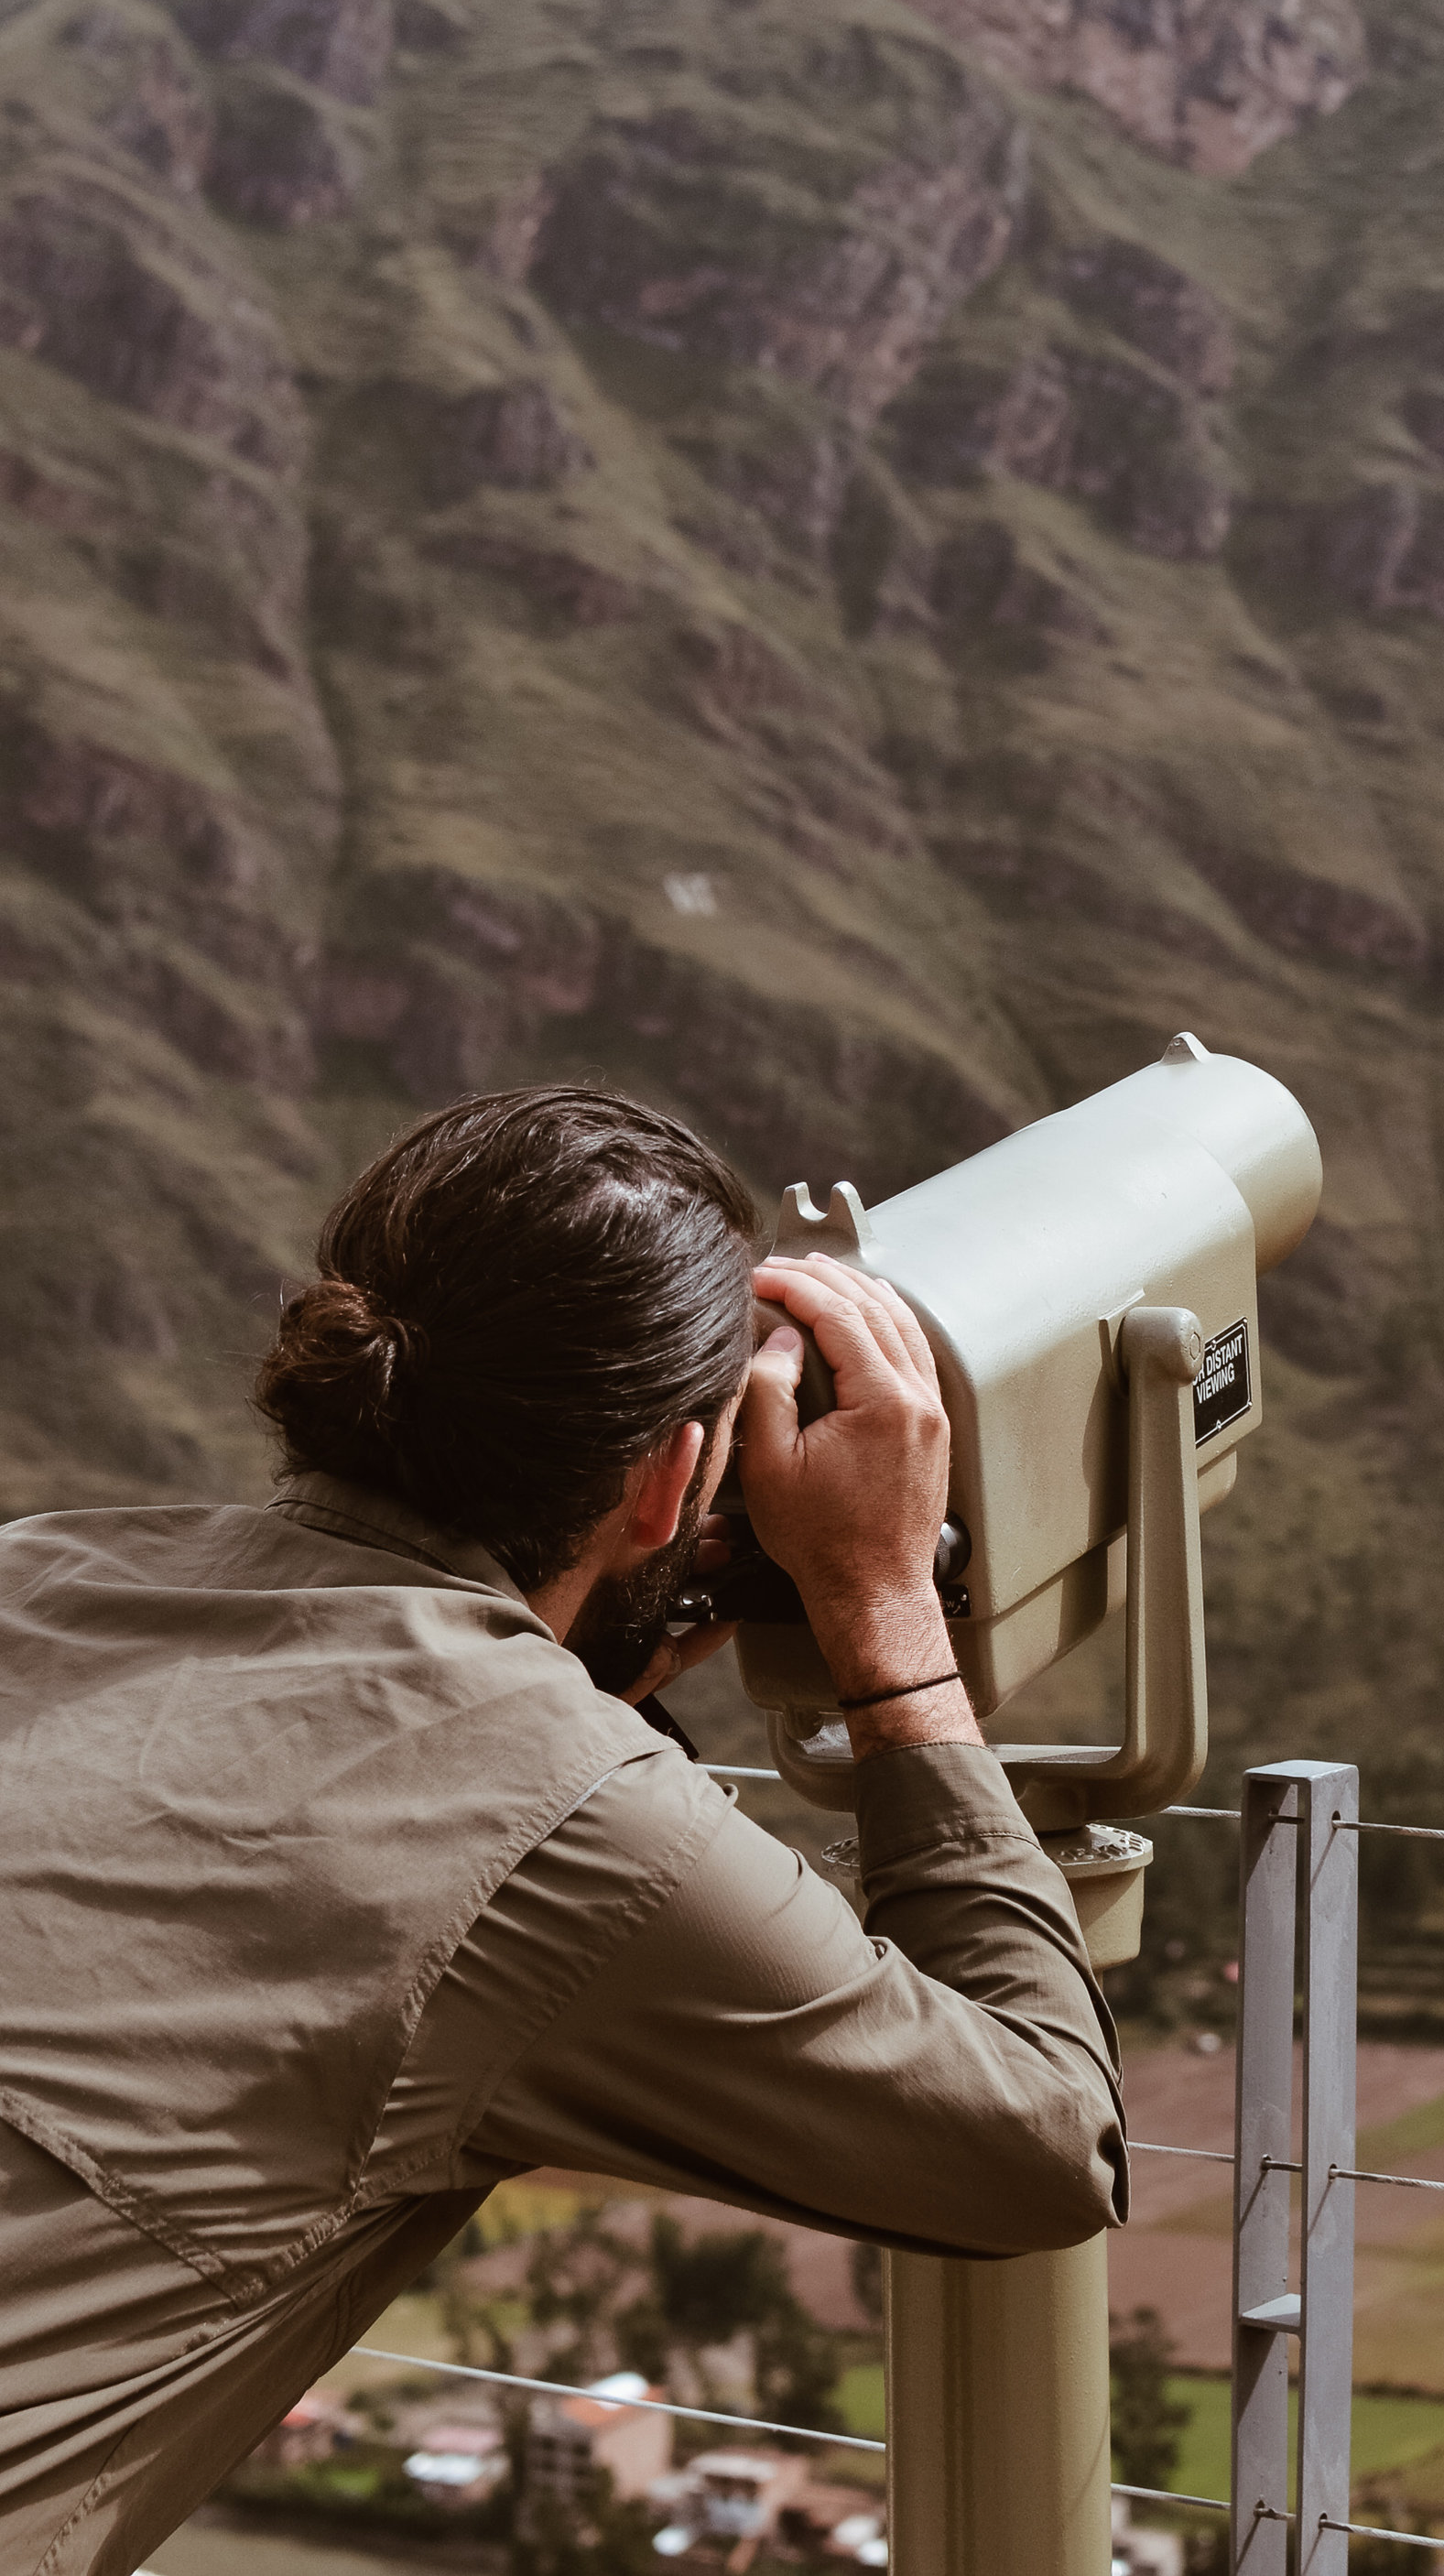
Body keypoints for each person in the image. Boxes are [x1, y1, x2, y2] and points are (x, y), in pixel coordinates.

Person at [0, 1087, 1125, 2572]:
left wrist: (585, 1673)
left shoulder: (40, 1573)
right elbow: (1043, 2150)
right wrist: (885, 1610)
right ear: (670, 1479)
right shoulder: (568, 1825)